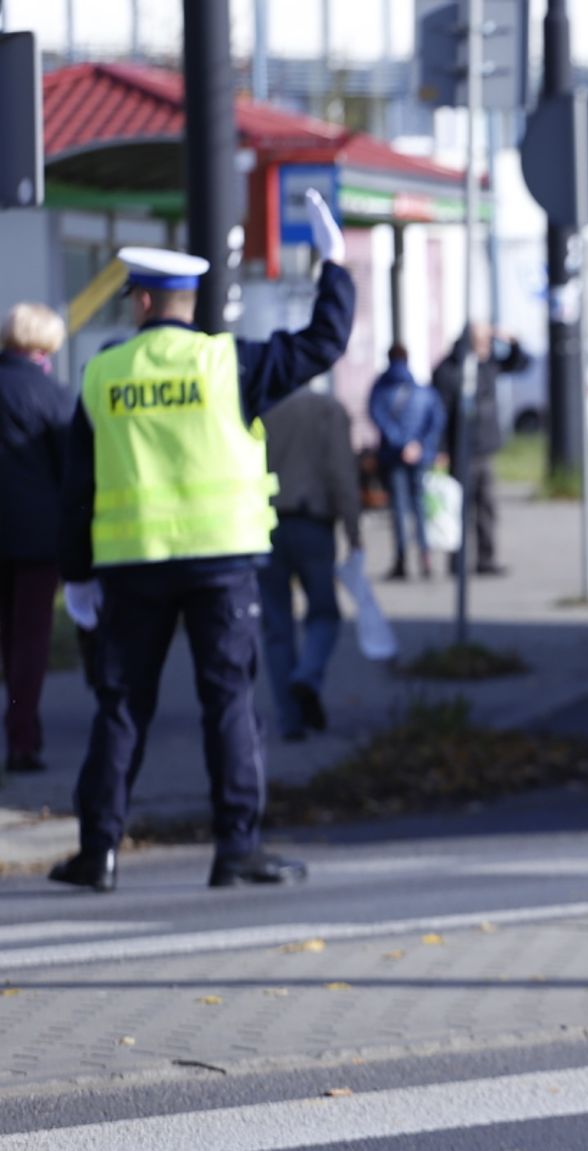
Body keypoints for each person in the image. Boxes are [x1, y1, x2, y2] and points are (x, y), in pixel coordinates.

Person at [50, 188, 354, 893]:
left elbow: (78, 490)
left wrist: (77, 577)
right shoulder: (231, 365)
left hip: (132, 566)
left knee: (121, 706)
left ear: (142, 304)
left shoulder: (102, 373)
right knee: (230, 705)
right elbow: (323, 343)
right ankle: (236, 847)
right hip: (222, 565)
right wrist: (331, 267)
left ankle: (98, 852)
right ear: (185, 302)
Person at [258, 385, 362, 742]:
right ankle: (307, 675)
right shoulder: (326, 410)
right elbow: (341, 472)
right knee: (324, 614)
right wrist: (353, 527)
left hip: (263, 526)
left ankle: (290, 720)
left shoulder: (260, 408)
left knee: (276, 625)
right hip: (312, 523)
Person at [0, 302, 74, 782]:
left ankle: (25, 728)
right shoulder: (52, 394)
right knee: (29, 643)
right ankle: (22, 739)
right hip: (36, 541)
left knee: (8, 640)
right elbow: (72, 472)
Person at [430, 322, 528, 576]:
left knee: (487, 509)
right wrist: (440, 449)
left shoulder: (487, 364)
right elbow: (438, 413)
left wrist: (511, 341)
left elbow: (520, 364)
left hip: (485, 449)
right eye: (481, 341)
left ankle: (486, 559)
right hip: (458, 450)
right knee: (459, 509)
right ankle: (457, 563)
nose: (487, 346)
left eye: (488, 341)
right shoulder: (448, 370)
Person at [368, 344, 444, 580]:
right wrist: (419, 446)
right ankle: (425, 557)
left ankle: (401, 560)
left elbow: (376, 416)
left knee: (399, 509)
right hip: (418, 456)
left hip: (393, 457)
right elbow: (436, 419)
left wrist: (400, 444)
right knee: (419, 507)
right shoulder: (422, 390)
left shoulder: (380, 389)